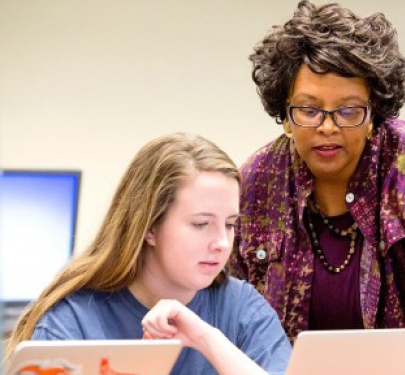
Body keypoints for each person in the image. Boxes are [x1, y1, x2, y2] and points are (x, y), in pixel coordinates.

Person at [228, 1, 405, 374]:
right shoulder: (257, 183)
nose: (328, 127)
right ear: (286, 115)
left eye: (348, 111)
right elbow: (227, 309)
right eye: (309, 110)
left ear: (374, 113)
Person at [4, 133, 291, 375]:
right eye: (201, 224)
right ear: (149, 227)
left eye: (230, 225)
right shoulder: (72, 321)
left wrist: (205, 338)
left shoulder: (242, 308)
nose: (221, 243)